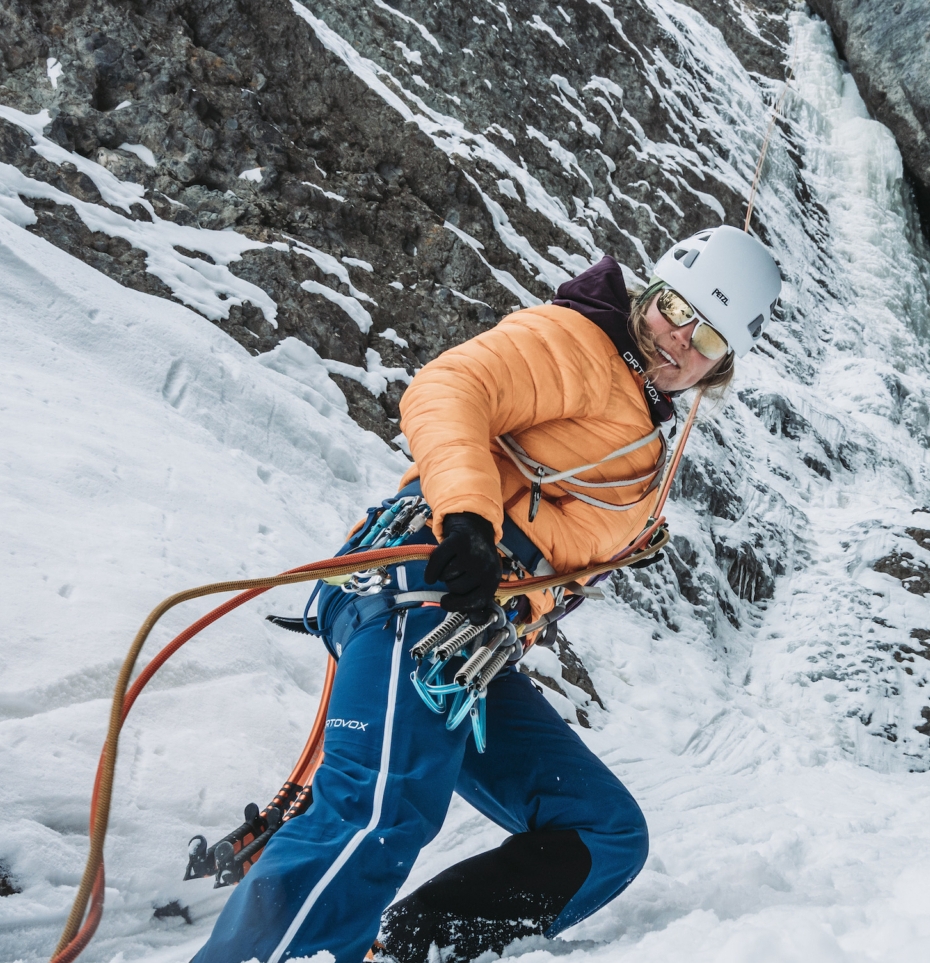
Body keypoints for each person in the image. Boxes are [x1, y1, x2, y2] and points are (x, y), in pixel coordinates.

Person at [189, 226, 781, 963]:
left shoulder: (640, 418)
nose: (680, 340)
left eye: (709, 340)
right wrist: (467, 519)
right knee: (376, 810)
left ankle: (407, 950)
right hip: (422, 586)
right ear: (648, 295)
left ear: (723, 364)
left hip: (464, 643)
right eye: (675, 310)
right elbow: (449, 387)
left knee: (601, 833)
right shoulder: (579, 343)